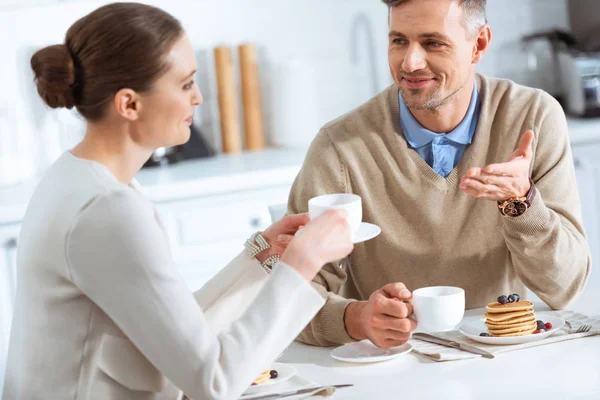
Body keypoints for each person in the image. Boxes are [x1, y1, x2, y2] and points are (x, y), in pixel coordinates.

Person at [2, 3, 354, 400]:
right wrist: (301, 265)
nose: (199, 98)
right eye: (186, 84)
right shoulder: (107, 211)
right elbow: (213, 381)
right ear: (129, 104)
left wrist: (262, 258)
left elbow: (180, 333)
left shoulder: (78, 178)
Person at [287, 0, 591, 349]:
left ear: (478, 45)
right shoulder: (339, 148)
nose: (410, 62)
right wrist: (356, 319)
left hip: (507, 362)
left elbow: (565, 287)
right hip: (395, 368)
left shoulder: (533, 119)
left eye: (433, 43)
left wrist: (522, 204)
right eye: (399, 40)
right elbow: (288, 301)